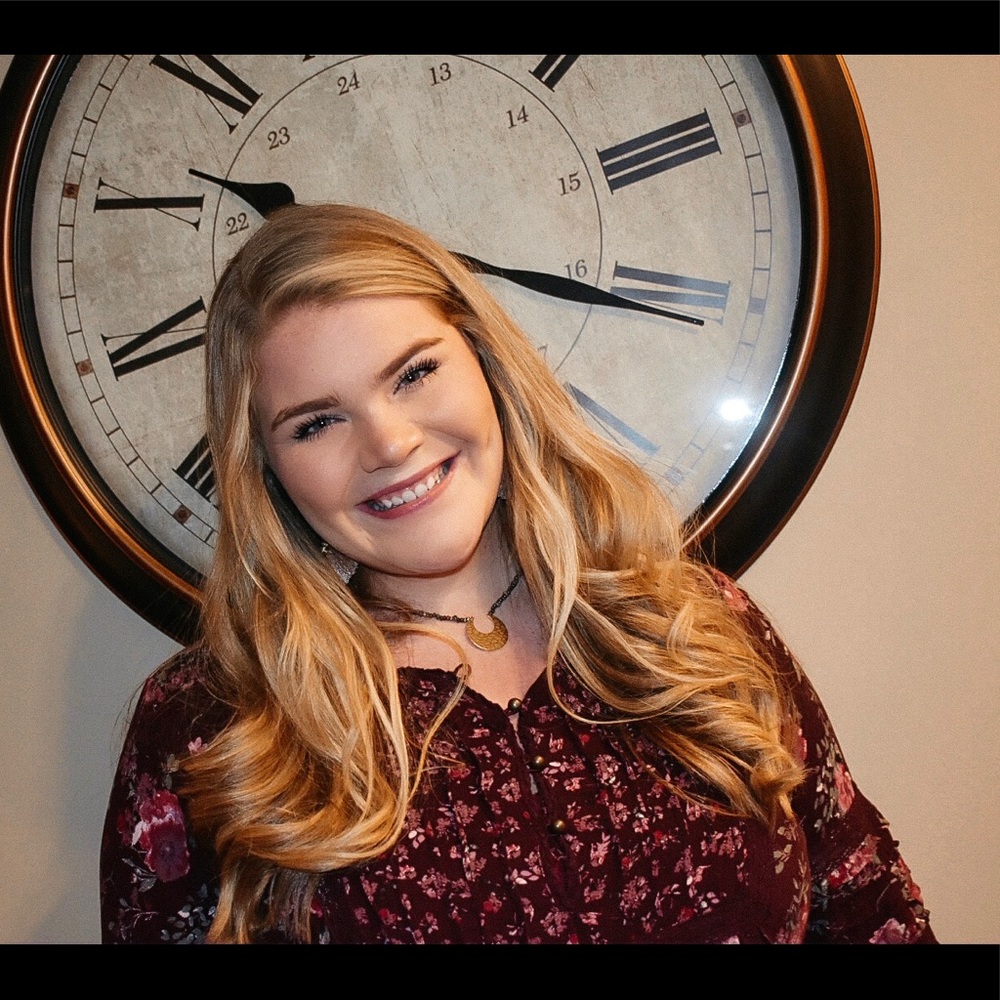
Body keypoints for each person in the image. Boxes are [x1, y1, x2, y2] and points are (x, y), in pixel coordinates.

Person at [100, 204, 934, 944]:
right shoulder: (214, 727)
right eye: (317, 422)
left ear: (485, 362)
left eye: (415, 373)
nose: (389, 444)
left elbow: (868, 909)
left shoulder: (692, 622)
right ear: (268, 467)